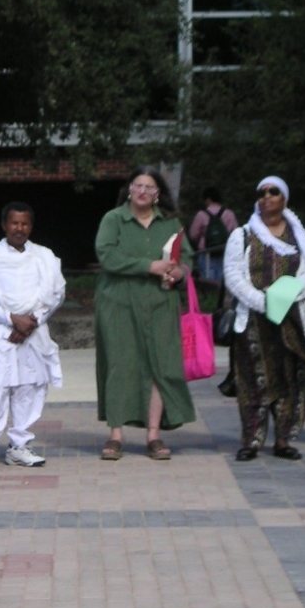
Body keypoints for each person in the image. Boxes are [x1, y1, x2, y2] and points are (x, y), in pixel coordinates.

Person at [95, 167, 195, 461]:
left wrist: (179, 272)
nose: (142, 191)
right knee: (119, 364)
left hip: (161, 303)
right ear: (129, 189)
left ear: (158, 194)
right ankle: (115, 434)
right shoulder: (113, 219)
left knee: (161, 367)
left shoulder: (171, 223)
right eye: (137, 185)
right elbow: (107, 255)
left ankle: (153, 434)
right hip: (119, 303)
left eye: (149, 187)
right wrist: (148, 266)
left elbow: (186, 257)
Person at [224, 176, 305, 461]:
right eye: (261, 192)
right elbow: (233, 275)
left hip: (291, 317)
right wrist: (263, 302)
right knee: (253, 379)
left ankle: (283, 440)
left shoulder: (300, 236)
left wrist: (285, 298)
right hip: (253, 318)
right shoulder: (242, 235)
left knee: (291, 377)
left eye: (273, 191)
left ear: (285, 199)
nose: (266, 196)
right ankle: (251, 440)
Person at [0, 202, 66, 472]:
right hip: (2, 331)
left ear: (31, 226)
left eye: (24, 224)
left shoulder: (45, 257)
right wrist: (12, 319)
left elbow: (56, 293)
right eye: (14, 223)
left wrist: (32, 322)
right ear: (4, 225)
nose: (19, 228)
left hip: (34, 331)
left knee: (29, 388)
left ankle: (19, 445)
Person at [187, 187, 238, 282]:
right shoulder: (229, 214)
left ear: (208, 199)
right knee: (224, 281)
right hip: (225, 253)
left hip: (206, 254)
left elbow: (193, 234)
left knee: (207, 282)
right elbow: (235, 234)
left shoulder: (201, 215)